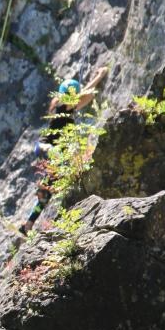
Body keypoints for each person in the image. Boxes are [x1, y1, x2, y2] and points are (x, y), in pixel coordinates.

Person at [19, 67, 109, 235]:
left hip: (50, 152)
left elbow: (87, 97)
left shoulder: (66, 108)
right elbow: (83, 96)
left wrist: (94, 84)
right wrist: (99, 76)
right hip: (48, 148)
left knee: (48, 191)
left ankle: (28, 224)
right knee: (62, 162)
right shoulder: (61, 106)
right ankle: (49, 180)